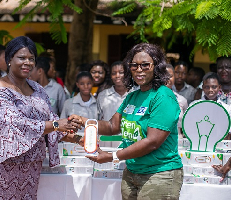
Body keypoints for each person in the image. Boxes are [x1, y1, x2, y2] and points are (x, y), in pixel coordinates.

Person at [71, 43, 183, 200]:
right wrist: (84, 121)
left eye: (145, 65)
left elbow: (152, 142)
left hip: (159, 174)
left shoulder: (163, 96)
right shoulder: (132, 97)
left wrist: (112, 156)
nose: (139, 69)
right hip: (132, 172)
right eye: (134, 65)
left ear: (156, 66)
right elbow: (112, 126)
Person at [0, 36, 83, 200]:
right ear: (9, 59)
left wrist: (79, 138)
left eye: (31, 59)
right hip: (4, 165)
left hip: (31, 166)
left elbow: (52, 125)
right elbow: (13, 123)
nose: (27, 62)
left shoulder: (37, 89)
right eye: (21, 58)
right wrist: (57, 124)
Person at [97, 61, 136, 147]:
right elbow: (98, 118)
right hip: (106, 142)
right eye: (114, 73)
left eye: (121, 72)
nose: (117, 75)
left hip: (129, 143)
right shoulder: (103, 95)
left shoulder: (135, 94)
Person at [189, 73, 231, 139]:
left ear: (219, 87)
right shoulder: (194, 106)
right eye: (207, 87)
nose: (210, 90)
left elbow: (228, 133)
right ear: (203, 87)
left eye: (214, 87)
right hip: (198, 144)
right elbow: (189, 128)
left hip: (219, 146)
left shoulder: (226, 109)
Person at [165, 64, 188, 138]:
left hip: (177, 143)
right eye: (164, 76)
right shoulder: (150, 98)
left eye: (170, 76)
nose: (167, 79)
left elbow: (187, 125)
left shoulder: (182, 100)